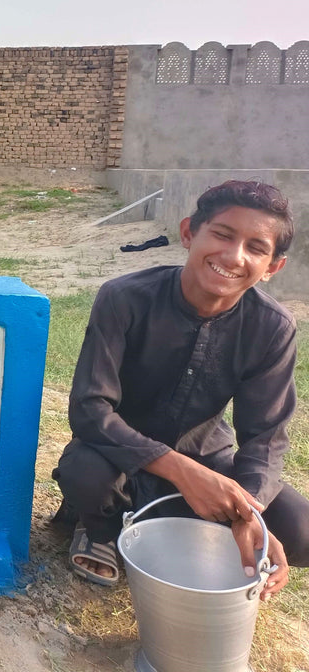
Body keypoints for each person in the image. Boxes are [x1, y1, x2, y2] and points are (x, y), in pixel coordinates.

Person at [53, 180, 309, 600]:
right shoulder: (124, 299)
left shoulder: (272, 328)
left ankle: (202, 533)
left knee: (299, 529)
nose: (233, 256)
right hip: (119, 460)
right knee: (86, 472)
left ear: (272, 267)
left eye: (256, 248)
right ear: (189, 232)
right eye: (222, 235)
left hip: (210, 458)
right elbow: (89, 410)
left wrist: (250, 514)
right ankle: (99, 526)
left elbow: (266, 435)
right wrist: (181, 471)